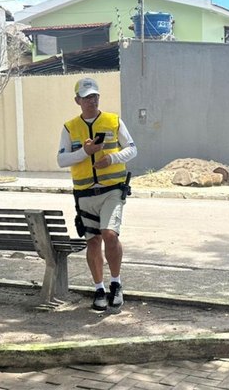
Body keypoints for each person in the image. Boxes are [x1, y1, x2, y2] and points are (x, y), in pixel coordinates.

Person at [57, 77, 138, 311]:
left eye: (95, 96)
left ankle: (116, 283)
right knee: (92, 241)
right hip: (84, 193)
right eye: (87, 97)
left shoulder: (113, 120)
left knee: (110, 234)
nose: (92, 101)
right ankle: (99, 289)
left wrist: (112, 158)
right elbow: (61, 159)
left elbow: (133, 148)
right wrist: (85, 151)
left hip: (112, 189)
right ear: (77, 100)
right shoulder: (70, 127)